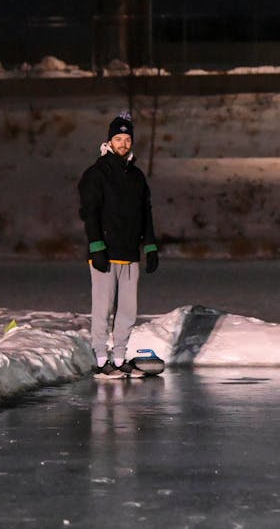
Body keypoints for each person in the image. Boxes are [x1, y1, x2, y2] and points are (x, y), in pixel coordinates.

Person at [79, 110, 159, 376]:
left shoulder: (136, 176)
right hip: (105, 252)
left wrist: (150, 245)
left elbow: (145, 213)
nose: (123, 143)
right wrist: (96, 246)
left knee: (127, 311)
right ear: (109, 141)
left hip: (129, 254)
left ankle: (120, 357)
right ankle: (102, 359)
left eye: (127, 139)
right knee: (103, 308)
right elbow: (90, 213)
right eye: (118, 138)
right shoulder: (96, 173)